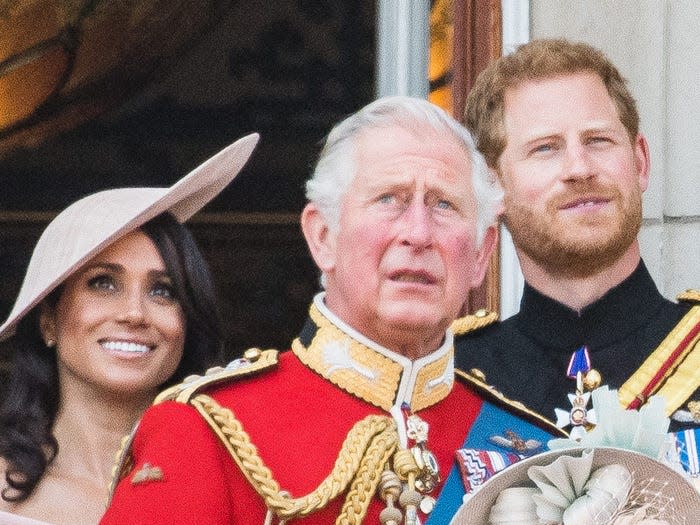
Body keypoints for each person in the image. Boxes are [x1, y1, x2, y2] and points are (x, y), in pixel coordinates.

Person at [101, 96, 564, 525]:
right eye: (389, 200)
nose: (418, 233)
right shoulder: (204, 430)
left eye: (444, 205)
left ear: (481, 255)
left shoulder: (540, 460)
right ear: (322, 236)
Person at [0, 133, 259, 525]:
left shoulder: (244, 486)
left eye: (163, 290)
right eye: (103, 283)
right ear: (48, 318)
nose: (135, 313)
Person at [454, 38, 699, 439]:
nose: (580, 168)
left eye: (598, 141)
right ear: (492, 186)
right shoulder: (454, 382)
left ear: (640, 162)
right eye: (546, 148)